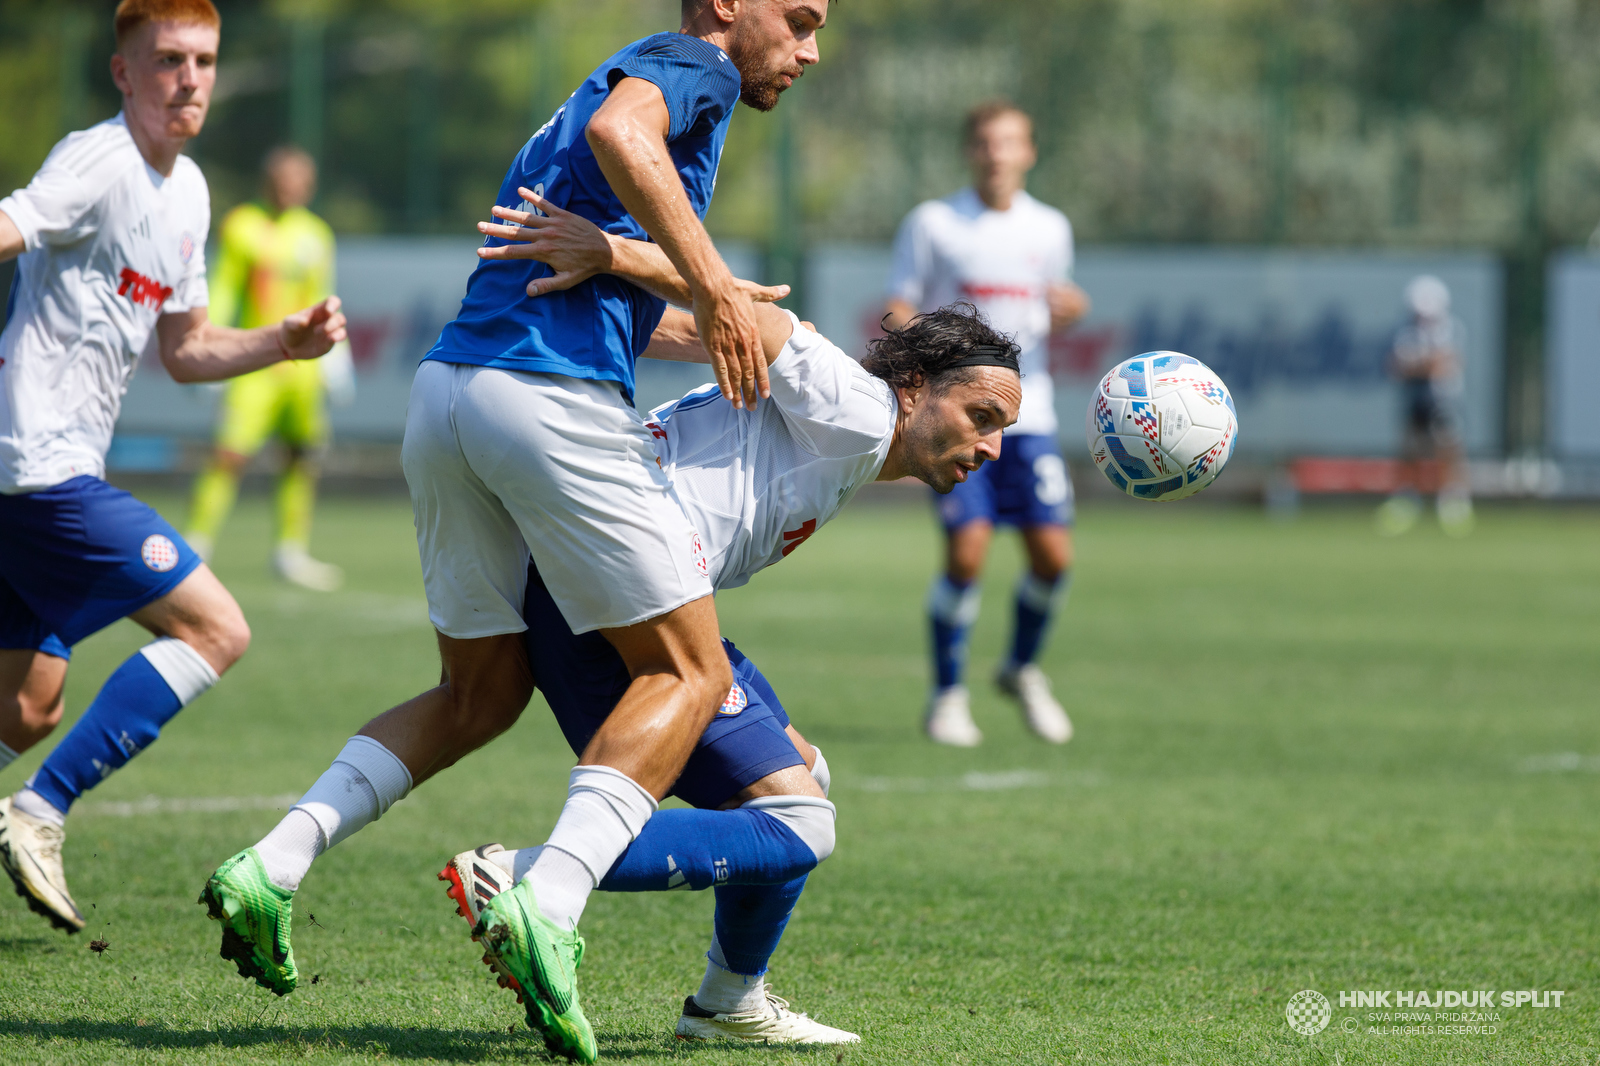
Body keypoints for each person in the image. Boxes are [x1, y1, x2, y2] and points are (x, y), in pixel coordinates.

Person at [201, 6, 826, 1061]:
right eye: (799, 19)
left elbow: (605, 268)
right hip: (548, 399)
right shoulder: (693, 65)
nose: (808, 50)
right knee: (689, 670)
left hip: (450, 394)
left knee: (478, 694)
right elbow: (625, 140)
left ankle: (271, 862)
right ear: (724, 6)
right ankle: (548, 897)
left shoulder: (594, 85)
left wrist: (680, 299)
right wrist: (712, 278)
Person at [0, 0, 346, 935]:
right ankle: (38, 812)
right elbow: (13, 223)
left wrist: (282, 340)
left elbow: (186, 349)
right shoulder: (100, 159)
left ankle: (30, 784)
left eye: (202, 60)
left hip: (33, 474)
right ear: (124, 72)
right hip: (37, 468)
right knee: (215, 628)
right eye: (165, 60)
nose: (187, 78)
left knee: (26, 709)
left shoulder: (187, 192)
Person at [884, 100, 1089, 748]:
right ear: (970, 150)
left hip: (1035, 415)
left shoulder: (1050, 227)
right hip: (960, 417)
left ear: (1029, 152)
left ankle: (1021, 668)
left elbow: (1059, 302)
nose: (997, 153)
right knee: (968, 550)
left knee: (1054, 558)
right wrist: (919, 362)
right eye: (985, 142)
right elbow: (900, 301)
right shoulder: (935, 223)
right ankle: (947, 694)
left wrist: (1072, 307)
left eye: (1010, 142)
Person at [184, 145, 354, 590]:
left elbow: (326, 294)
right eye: (284, 179)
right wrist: (209, 342)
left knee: (301, 458)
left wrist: (338, 358)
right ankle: (198, 543)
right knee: (229, 455)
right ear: (269, 181)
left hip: (303, 372)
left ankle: (290, 551)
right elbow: (223, 288)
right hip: (256, 362)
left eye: (299, 180)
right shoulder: (243, 226)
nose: (291, 188)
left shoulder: (316, 234)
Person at [1376, 274, 1473, 537]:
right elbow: (1398, 365)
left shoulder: (1452, 328)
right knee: (1410, 448)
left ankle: (1453, 500)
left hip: (1444, 398)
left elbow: (1442, 364)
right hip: (1415, 398)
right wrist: (1425, 363)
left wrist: (1419, 363)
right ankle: (1407, 499)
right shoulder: (1405, 331)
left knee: (1448, 446)